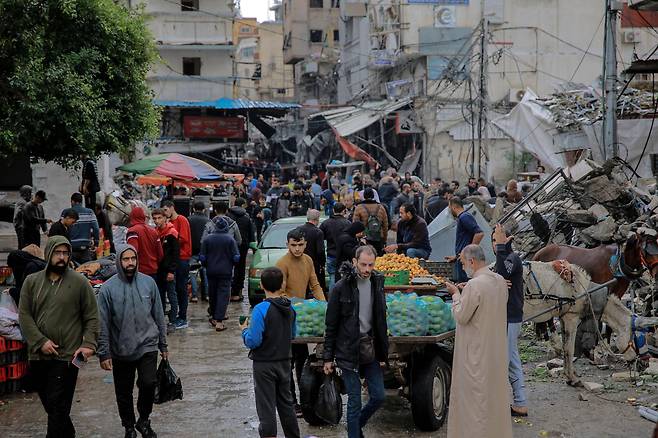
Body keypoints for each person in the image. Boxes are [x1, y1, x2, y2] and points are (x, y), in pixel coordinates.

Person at [18, 235, 99, 438]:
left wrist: (89, 344)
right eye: (57, 253)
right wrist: (40, 341)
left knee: (56, 406)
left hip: (70, 357)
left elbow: (92, 316)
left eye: (65, 253)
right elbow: (24, 315)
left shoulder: (80, 283)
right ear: (49, 254)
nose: (61, 257)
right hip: (38, 355)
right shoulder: (32, 282)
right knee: (55, 406)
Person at [97, 245, 168, 438]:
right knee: (123, 391)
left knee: (148, 382)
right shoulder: (108, 289)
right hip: (121, 348)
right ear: (119, 261)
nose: (130, 263)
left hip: (148, 345)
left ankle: (143, 420)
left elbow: (159, 315)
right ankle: (128, 426)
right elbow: (102, 323)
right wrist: (104, 352)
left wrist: (163, 344)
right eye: (126, 259)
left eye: (133, 259)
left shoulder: (148, 284)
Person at [444, 245, 512, 438]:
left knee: (475, 405)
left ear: (472, 262)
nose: (464, 267)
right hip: (495, 352)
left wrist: (456, 294)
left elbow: (461, 316)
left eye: (464, 263)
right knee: (493, 401)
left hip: (476, 354)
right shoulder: (499, 281)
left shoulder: (474, 285)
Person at [323, 245, 388, 438]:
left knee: (378, 396)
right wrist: (328, 357)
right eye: (363, 265)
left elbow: (380, 320)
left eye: (371, 264)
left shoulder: (377, 282)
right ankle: (354, 433)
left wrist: (383, 353)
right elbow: (331, 325)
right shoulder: (340, 288)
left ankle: (355, 427)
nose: (367, 269)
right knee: (354, 401)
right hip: (347, 350)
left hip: (370, 348)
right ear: (354, 262)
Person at [240, 267, 301, 438]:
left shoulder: (261, 309)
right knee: (286, 404)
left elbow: (254, 341)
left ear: (261, 285)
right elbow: (293, 335)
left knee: (266, 406)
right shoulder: (291, 308)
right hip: (285, 363)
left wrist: (244, 331)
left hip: (264, 364)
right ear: (283, 284)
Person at [275, 228, 326, 413]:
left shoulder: (308, 260)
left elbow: (315, 285)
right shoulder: (282, 263)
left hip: (303, 319)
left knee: (302, 360)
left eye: (300, 245)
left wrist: (324, 305)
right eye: (293, 245)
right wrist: (294, 306)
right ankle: (291, 402)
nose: (297, 249)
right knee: (287, 363)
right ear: (287, 244)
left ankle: (305, 400)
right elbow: (279, 294)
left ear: (306, 244)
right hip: (286, 317)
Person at [492, 224, 528, 417]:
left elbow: (501, 275)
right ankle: (520, 403)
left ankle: (497, 404)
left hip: (510, 318)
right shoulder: (504, 259)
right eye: (493, 241)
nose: (494, 244)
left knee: (502, 361)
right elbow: (497, 277)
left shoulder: (512, 258)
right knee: (512, 360)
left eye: (496, 239)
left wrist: (500, 246)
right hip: (508, 318)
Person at [200, 217, 240, 332]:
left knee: (212, 294)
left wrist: (206, 264)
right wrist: (231, 263)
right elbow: (236, 257)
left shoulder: (208, 239)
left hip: (211, 271)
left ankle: (213, 315)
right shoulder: (230, 240)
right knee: (223, 295)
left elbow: (202, 257)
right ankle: (219, 321)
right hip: (225, 272)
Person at [162, 200, 192, 329]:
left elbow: (183, 238)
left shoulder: (182, 220)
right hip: (174, 259)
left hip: (183, 258)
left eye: (165, 210)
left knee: (181, 288)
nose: (164, 213)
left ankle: (183, 317)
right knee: (174, 290)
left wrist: (169, 240)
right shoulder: (169, 223)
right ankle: (176, 315)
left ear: (171, 208)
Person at [152, 208, 180, 329]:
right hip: (158, 270)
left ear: (165, 218)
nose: (157, 221)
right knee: (160, 296)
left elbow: (175, 254)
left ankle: (173, 321)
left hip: (168, 270)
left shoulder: (172, 232)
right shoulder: (155, 232)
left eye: (159, 218)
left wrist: (171, 271)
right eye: (154, 218)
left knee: (172, 295)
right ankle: (161, 320)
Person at [446, 197, 484, 282]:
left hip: (465, 259)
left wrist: (468, 252)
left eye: (449, 208)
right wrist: (456, 256)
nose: (449, 211)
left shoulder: (464, 217)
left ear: (454, 207)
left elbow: (479, 234)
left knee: (465, 285)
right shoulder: (462, 217)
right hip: (461, 258)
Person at [228, 198, 256, 302]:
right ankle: (237, 292)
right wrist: (253, 246)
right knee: (240, 268)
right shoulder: (246, 217)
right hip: (243, 246)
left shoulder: (228, 216)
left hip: (229, 245)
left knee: (228, 267)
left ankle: (228, 291)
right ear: (243, 205)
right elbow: (251, 233)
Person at [320, 202, 351, 291]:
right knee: (345, 278)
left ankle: (332, 299)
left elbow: (321, 236)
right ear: (344, 211)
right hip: (344, 256)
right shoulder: (347, 223)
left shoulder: (326, 223)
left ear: (333, 210)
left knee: (332, 277)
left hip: (331, 254)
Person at [126, 207, 163, 281]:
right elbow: (160, 254)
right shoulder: (154, 231)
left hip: (140, 272)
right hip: (154, 271)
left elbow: (132, 252)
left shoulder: (132, 231)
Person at [353, 187, 389, 255]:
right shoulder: (381, 207)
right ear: (373, 196)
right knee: (379, 261)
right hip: (379, 237)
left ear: (364, 196)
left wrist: (357, 238)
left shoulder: (359, 208)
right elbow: (385, 225)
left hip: (365, 238)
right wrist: (384, 240)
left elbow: (355, 225)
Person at [299, 209, 327, 292]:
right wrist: (322, 264)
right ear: (317, 219)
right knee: (317, 287)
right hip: (314, 264)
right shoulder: (318, 232)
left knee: (303, 287)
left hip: (300, 262)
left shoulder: (299, 229)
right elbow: (320, 251)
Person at [69, 192, 100, 264]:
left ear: (72, 201)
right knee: (86, 271)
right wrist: (96, 243)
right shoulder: (89, 212)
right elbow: (96, 228)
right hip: (85, 249)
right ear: (81, 202)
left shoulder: (67, 212)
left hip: (71, 249)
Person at [188, 202, 210, 303]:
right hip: (204, 251)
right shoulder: (208, 221)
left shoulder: (188, 220)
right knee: (204, 273)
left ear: (193, 209)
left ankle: (195, 295)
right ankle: (206, 295)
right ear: (204, 209)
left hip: (192, 250)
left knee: (192, 273)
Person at [13, 184, 32, 249]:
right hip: (22, 227)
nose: (31, 194)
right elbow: (18, 213)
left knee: (22, 244)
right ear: (26, 193)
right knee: (23, 245)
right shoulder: (22, 202)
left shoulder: (23, 201)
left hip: (21, 226)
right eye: (30, 192)